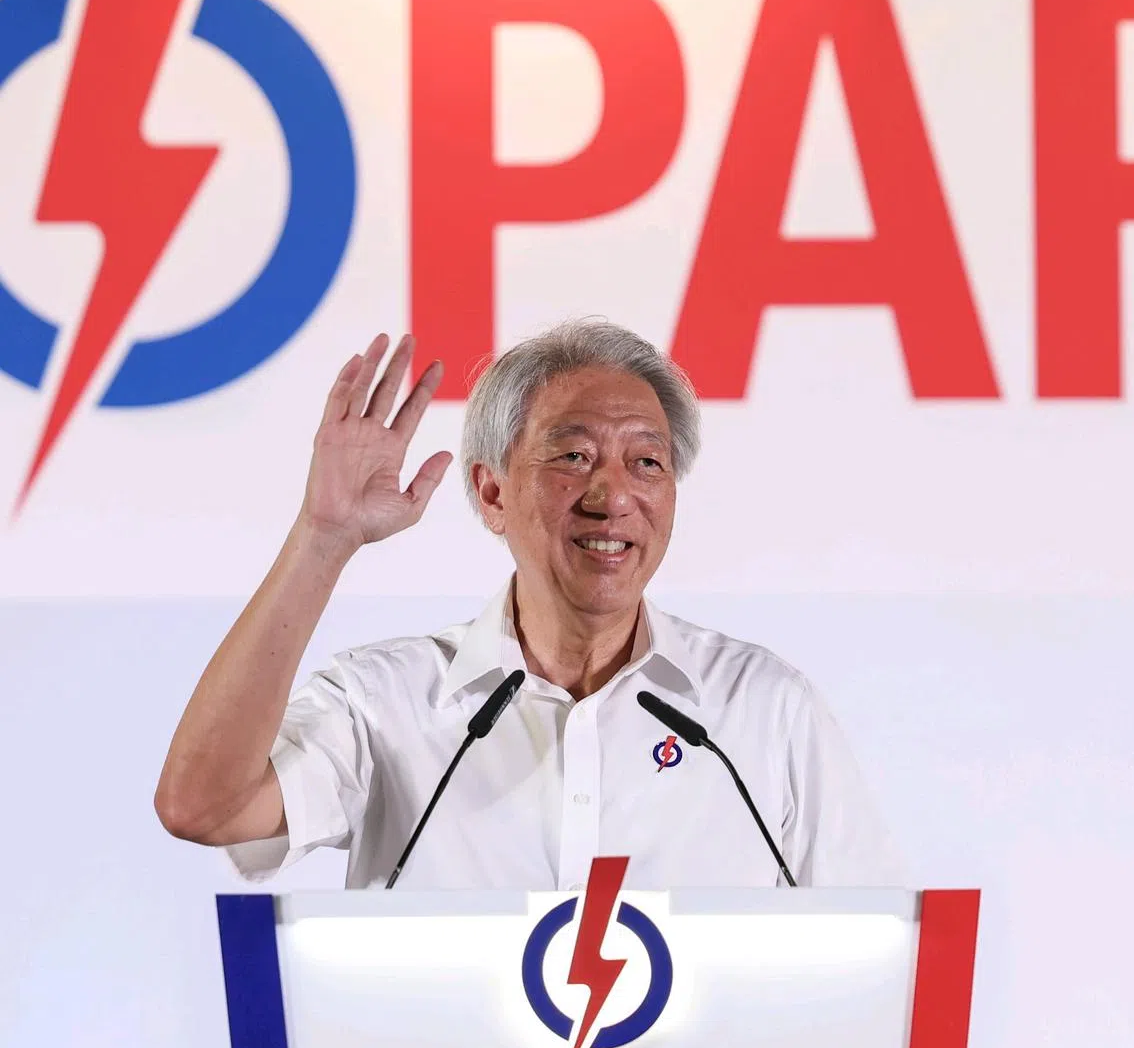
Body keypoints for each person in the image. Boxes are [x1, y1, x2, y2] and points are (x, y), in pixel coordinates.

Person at [155, 319, 902, 889]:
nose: (612, 498)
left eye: (647, 462)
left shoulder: (763, 711)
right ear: (492, 492)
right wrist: (323, 539)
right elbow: (204, 808)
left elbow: (879, 956)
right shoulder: (383, 704)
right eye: (573, 456)